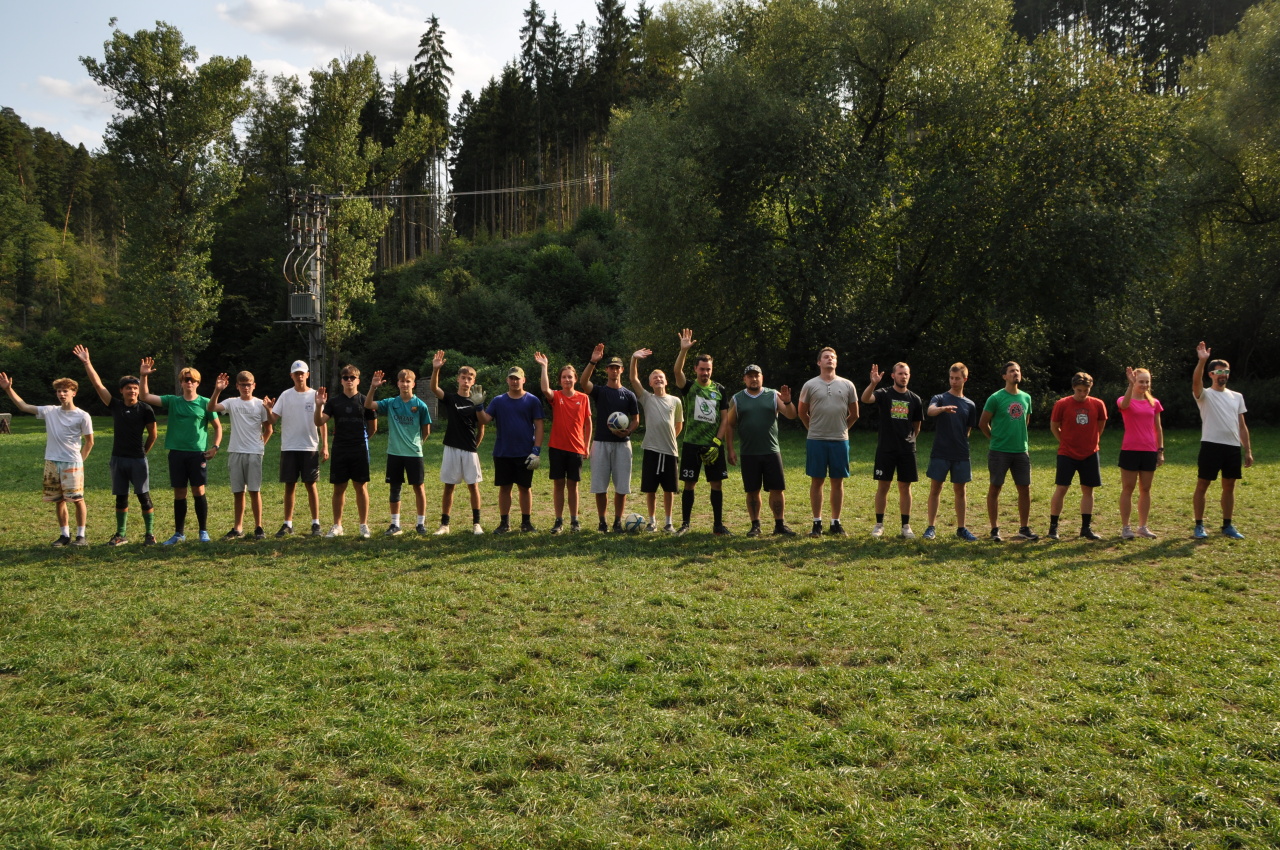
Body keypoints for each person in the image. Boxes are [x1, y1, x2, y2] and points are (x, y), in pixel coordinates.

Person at [73, 345, 157, 545]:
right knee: (121, 498)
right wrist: (87, 362)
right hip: (118, 459)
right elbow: (98, 385)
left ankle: (150, 534)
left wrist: (143, 453)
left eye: (135, 388)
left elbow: (153, 435)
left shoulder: (145, 409)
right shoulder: (116, 406)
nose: (132, 391)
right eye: (128, 388)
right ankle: (121, 534)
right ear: (122, 391)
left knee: (144, 497)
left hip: (137, 460)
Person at [0, 372, 94, 546]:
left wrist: (79, 462)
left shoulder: (82, 415)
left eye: (65, 391)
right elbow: (23, 406)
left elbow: (90, 442)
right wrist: (8, 389)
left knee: (77, 499)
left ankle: (81, 536)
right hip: (51, 462)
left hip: (72, 462)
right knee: (58, 500)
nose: (61, 394)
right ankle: (64, 535)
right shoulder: (50, 411)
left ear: (74, 393)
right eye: (59, 391)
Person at [139, 359, 222, 544]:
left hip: (197, 453)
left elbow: (218, 427)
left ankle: (203, 531)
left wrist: (215, 447)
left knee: (198, 491)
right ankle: (179, 533)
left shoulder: (205, 403)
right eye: (186, 379)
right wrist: (144, 376)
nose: (189, 382)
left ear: (198, 383)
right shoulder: (173, 401)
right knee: (179, 493)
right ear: (181, 383)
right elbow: (144, 396)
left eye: (192, 379)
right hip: (177, 453)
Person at [723, 364, 798, 537]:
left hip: (771, 451)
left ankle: (779, 524)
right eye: (750, 376)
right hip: (749, 453)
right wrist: (730, 449)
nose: (754, 379)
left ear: (762, 377)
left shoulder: (773, 395)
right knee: (752, 490)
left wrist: (787, 401)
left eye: (757, 375)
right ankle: (755, 525)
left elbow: (791, 415)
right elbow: (729, 425)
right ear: (744, 379)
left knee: (777, 489)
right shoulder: (737, 399)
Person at [672, 328, 733, 535]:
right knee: (689, 484)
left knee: (716, 484)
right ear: (695, 369)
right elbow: (677, 372)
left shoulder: (720, 390)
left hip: (712, 445)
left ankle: (718, 525)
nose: (705, 373)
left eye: (708, 369)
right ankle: (685, 524)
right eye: (702, 369)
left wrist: (717, 442)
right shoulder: (689, 387)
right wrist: (683, 350)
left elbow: (725, 419)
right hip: (691, 443)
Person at [1192, 341, 1252, 539]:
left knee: (1229, 486)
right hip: (1211, 446)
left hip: (1232, 447)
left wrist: (1247, 450)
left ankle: (1227, 525)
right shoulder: (1205, 395)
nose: (1223, 374)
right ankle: (1199, 525)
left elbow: (1241, 425)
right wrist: (1202, 361)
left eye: (1226, 371)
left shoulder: (1237, 396)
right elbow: (1196, 382)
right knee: (1203, 485)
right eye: (1219, 371)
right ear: (1211, 374)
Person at [797, 347, 859, 537]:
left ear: (836, 362)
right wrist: (813, 429)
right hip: (816, 440)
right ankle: (817, 523)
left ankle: (835, 522)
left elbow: (855, 414)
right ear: (819, 362)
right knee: (817, 481)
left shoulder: (847, 385)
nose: (830, 359)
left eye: (833, 357)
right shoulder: (810, 385)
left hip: (839, 440)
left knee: (837, 482)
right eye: (826, 357)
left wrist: (842, 429)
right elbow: (802, 412)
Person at [476, 365, 544, 533]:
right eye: (512, 378)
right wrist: (478, 406)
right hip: (503, 452)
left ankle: (526, 523)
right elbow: (484, 420)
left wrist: (536, 449)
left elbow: (539, 426)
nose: (514, 381)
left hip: (525, 453)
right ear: (507, 380)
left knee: (525, 488)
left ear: (523, 380)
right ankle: (504, 523)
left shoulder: (532, 400)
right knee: (505, 488)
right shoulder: (498, 401)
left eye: (517, 378)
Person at [365, 368, 433, 535]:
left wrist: (417, 444)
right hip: (394, 453)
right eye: (402, 381)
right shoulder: (391, 403)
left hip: (414, 454)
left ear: (413, 384)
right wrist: (373, 387)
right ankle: (395, 524)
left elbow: (426, 431)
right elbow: (368, 405)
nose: (405, 384)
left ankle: (420, 524)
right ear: (398, 384)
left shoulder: (420, 405)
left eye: (408, 381)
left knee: (419, 487)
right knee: (395, 488)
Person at [208, 371, 274, 540]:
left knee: (254, 490)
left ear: (254, 385)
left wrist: (260, 446)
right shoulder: (231, 402)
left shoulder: (260, 404)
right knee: (238, 492)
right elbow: (211, 408)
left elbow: (269, 428)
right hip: (235, 451)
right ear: (237, 386)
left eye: (249, 384)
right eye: (243, 385)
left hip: (254, 453)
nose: (246, 388)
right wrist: (217, 390)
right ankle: (238, 528)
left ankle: (259, 527)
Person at [861, 362, 924, 539]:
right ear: (893, 376)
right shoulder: (884, 393)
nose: (903, 376)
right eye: (900, 373)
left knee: (905, 487)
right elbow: (865, 399)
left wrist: (910, 440)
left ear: (909, 376)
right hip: (886, 449)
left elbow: (917, 425)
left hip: (906, 450)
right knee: (883, 486)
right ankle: (879, 525)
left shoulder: (915, 399)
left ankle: (906, 526)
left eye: (906, 374)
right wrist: (873, 383)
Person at [580, 346, 639, 532]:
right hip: (601, 443)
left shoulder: (629, 395)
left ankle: (617, 522)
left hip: (623, 445)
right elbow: (583, 382)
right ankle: (602, 522)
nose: (614, 370)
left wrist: (628, 431)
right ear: (607, 370)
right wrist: (593, 361)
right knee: (600, 487)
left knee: (622, 487)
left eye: (617, 367)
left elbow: (636, 420)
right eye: (611, 367)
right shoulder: (600, 391)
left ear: (622, 370)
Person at [267, 360, 328, 538]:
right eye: (296, 373)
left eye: (302, 373)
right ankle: (288, 524)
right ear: (291, 376)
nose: (300, 376)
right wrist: (268, 409)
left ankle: (316, 523)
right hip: (289, 446)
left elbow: (322, 422)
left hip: (310, 446)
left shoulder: (315, 395)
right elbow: (273, 420)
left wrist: (325, 445)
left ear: (307, 375)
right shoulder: (285, 395)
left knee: (311, 485)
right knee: (289, 485)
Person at [314, 364, 376, 539]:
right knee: (339, 487)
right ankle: (337, 525)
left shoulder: (365, 401)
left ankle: (363, 525)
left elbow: (373, 428)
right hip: (340, 449)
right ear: (341, 381)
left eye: (352, 377)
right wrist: (318, 406)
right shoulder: (334, 402)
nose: (349, 380)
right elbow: (319, 422)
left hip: (359, 449)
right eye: (346, 377)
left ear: (358, 380)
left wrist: (361, 440)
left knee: (360, 486)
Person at [979, 361, 1037, 542]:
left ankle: (1024, 528)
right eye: (1012, 371)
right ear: (1004, 376)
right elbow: (983, 423)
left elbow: (1026, 421)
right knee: (995, 488)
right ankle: (994, 529)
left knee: (1024, 489)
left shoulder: (1026, 398)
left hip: (1021, 451)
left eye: (1018, 371)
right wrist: (995, 439)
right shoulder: (995, 398)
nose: (1015, 373)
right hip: (999, 451)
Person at [430, 351, 486, 535]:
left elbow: (482, 426)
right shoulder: (451, 399)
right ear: (458, 379)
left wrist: (475, 446)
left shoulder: (476, 400)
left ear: (473, 380)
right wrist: (436, 369)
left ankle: (476, 524)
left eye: (470, 378)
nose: (466, 381)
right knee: (449, 486)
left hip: (469, 450)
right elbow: (434, 388)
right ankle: (444, 525)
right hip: (451, 447)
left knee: (473, 486)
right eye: (463, 377)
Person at [924, 363, 980, 541]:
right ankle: (931, 527)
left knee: (960, 491)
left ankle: (961, 529)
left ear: (965, 379)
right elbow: (930, 411)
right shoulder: (940, 398)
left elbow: (968, 429)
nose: (954, 381)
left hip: (961, 454)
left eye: (957, 378)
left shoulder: (970, 404)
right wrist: (943, 409)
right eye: (951, 378)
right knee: (935, 489)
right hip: (940, 451)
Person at [1048, 372, 1107, 541]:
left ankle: (1086, 528)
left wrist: (1092, 441)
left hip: (1090, 453)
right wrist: (1064, 441)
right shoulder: (1062, 404)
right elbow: (1054, 426)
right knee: (1062, 488)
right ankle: (1053, 527)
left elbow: (1101, 425)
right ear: (1073, 388)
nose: (1082, 394)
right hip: (1067, 453)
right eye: (1079, 390)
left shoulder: (1098, 404)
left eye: (1086, 390)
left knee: (1088, 490)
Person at [535, 351, 590, 534]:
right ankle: (558, 521)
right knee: (558, 484)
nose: (567, 379)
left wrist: (587, 446)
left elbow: (588, 424)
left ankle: (575, 521)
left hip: (576, 448)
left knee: (573, 485)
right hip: (557, 448)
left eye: (570, 377)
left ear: (575, 379)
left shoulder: (583, 398)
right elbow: (545, 389)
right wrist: (544, 366)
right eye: (564, 377)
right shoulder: (557, 396)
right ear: (560, 381)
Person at [630, 348, 684, 532]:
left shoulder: (675, 401)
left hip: (670, 451)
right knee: (650, 489)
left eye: (661, 377)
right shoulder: (647, 398)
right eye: (655, 378)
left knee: (669, 489)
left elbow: (678, 425)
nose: (658, 379)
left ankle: (668, 522)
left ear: (666, 381)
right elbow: (633, 379)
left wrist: (668, 440)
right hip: (651, 450)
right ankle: (652, 522)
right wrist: (634, 359)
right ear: (650, 383)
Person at [1117, 366, 1164, 539]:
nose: (1144, 385)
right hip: (1130, 450)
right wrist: (1130, 385)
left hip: (1149, 450)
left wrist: (1160, 450)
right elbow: (1124, 405)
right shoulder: (1124, 399)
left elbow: (1158, 428)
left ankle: (1143, 527)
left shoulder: (1154, 403)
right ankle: (1126, 528)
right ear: (1134, 381)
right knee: (1128, 488)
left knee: (1145, 489)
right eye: (1141, 381)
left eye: (1147, 382)